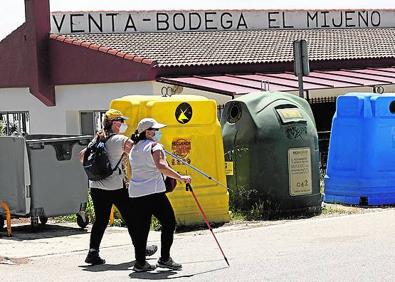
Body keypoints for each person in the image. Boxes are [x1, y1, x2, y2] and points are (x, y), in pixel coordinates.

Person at [79, 109, 157, 265]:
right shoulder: (120, 139)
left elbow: (82, 157)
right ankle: (141, 250)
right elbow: (136, 153)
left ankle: (93, 252)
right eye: (121, 121)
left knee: (101, 220)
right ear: (115, 123)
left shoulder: (97, 138)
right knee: (132, 218)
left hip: (96, 186)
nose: (123, 124)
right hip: (115, 187)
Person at [129, 118, 192, 272]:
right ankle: (164, 259)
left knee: (142, 228)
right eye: (155, 130)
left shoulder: (134, 148)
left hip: (136, 192)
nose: (157, 132)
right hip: (154, 192)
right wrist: (180, 177)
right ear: (147, 131)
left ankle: (140, 263)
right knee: (169, 222)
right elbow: (161, 166)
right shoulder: (155, 146)